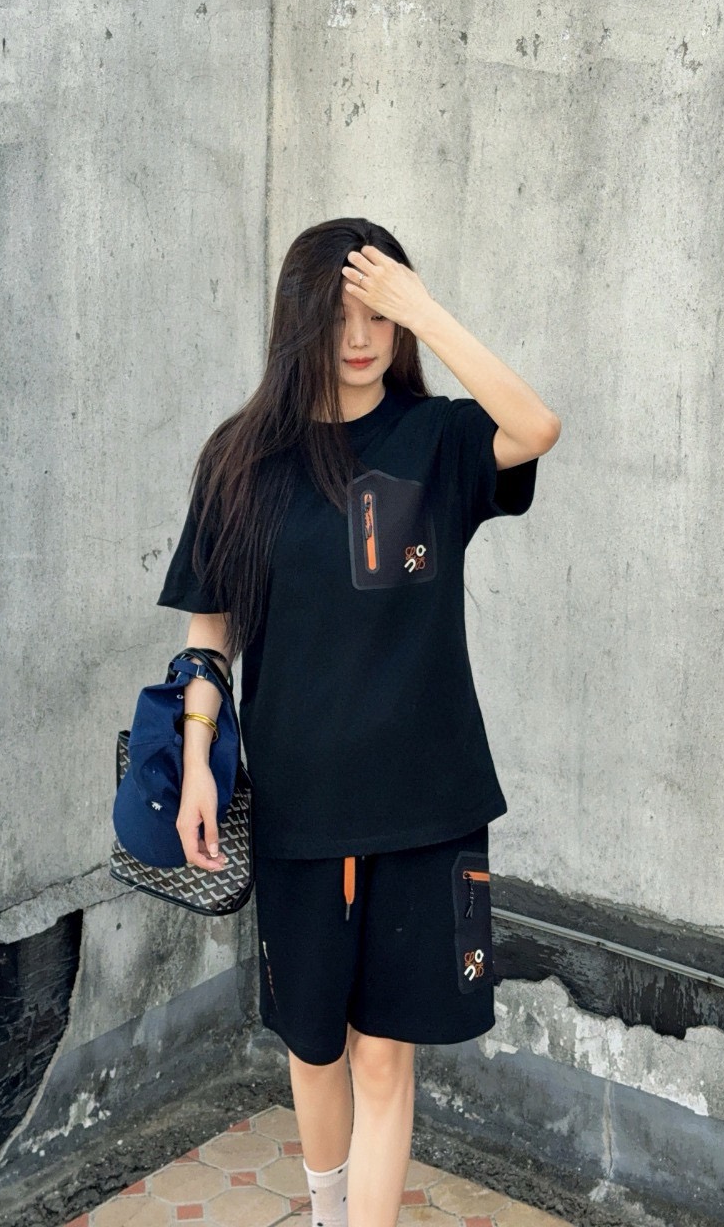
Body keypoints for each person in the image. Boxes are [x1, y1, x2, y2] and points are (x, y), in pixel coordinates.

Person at [155, 218, 560, 1227]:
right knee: (315, 1046)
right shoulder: (241, 460)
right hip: (299, 805)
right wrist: (198, 761)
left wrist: (427, 307)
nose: (360, 336)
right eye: (339, 314)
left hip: (427, 801)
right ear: (299, 321)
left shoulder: (438, 442)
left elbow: (536, 426)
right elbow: (210, 633)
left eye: (380, 313)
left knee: (385, 1057)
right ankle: (329, 1211)